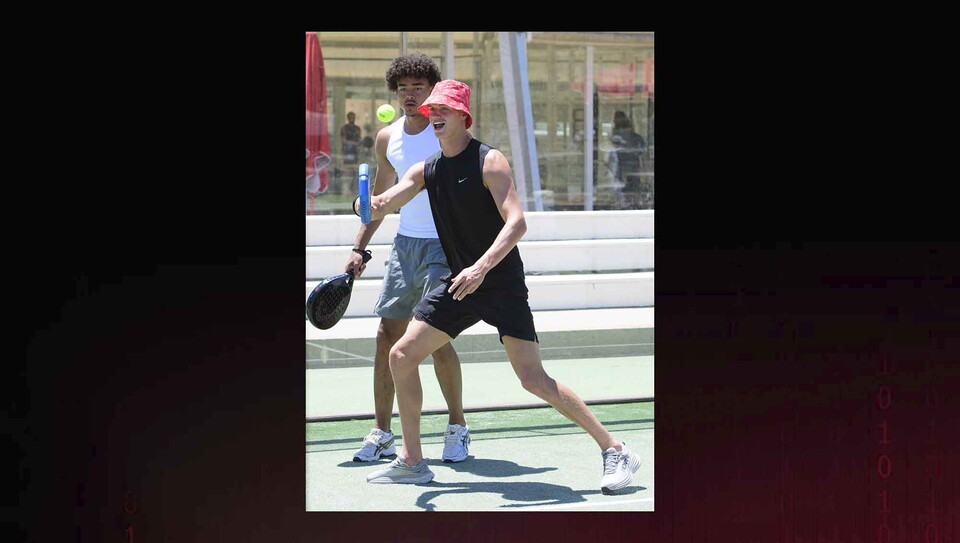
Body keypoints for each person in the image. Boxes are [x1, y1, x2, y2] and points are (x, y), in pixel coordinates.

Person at [357, 80, 641, 493]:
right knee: (401, 354)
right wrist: (365, 203)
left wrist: (481, 268)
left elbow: (517, 221)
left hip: (499, 282)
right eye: (432, 109)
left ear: (463, 116)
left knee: (532, 379)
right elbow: (386, 201)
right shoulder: (427, 170)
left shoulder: (489, 161)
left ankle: (615, 448)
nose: (434, 114)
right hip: (460, 283)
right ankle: (413, 461)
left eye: (444, 110)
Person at [345, 55, 471, 465]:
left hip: (445, 247)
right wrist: (360, 246)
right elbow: (380, 199)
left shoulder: (445, 132)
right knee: (387, 336)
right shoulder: (387, 138)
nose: (409, 93)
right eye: (402, 87)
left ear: (433, 90)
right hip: (405, 246)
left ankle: (457, 427)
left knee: (434, 339)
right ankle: (382, 433)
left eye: (418, 86)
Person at [609, 111, 647, 208]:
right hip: (628, 168)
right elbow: (641, 151)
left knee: (624, 190)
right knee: (631, 189)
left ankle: (627, 206)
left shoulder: (616, 137)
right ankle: (632, 205)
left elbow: (612, 153)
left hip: (624, 168)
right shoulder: (635, 137)